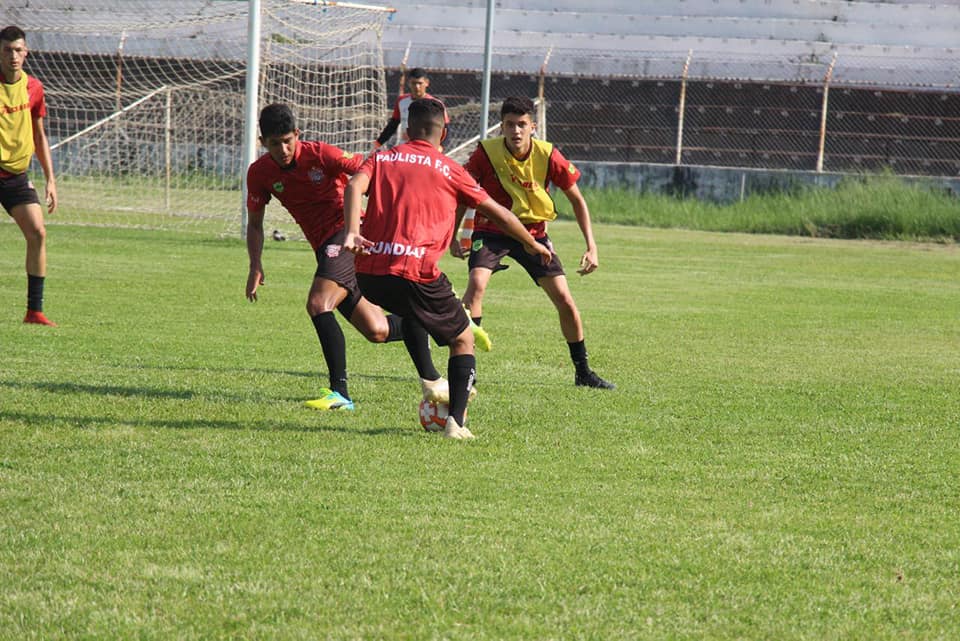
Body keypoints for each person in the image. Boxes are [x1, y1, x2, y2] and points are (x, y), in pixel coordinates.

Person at [344, 98, 552, 439]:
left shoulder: (383, 157)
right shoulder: (450, 168)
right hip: (416, 271)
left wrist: (353, 230)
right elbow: (498, 211)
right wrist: (530, 243)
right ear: (445, 133)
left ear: (407, 130)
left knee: (414, 314)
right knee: (463, 338)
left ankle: (431, 381)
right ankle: (456, 422)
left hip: (369, 273)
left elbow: (353, 186)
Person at [245, 103, 453, 411]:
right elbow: (256, 224)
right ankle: (445, 319)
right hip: (326, 248)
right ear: (263, 143)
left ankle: (339, 393)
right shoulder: (260, 173)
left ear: (298, 135)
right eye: (275, 143)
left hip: (348, 237)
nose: (284, 149)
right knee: (377, 330)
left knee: (318, 303)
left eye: (288, 140)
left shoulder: (321, 154)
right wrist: (255, 264)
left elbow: (371, 172)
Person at [452, 96, 615, 390]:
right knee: (476, 286)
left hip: (535, 236)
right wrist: (454, 235)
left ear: (533, 126)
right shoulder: (485, 153)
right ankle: (468, 372)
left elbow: (577, 199)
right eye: (510, 124)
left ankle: (583, 372)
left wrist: (592, 246)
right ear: (501, 126)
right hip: (491, 232)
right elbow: (463, 193)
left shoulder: (548, 154)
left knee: (565, 300)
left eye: (522, 125)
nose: (516, 131)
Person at [1, 25, 58, 326]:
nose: (13, 56)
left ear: (26, 53)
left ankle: (34, 311)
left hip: (15, 176)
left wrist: (50, 178)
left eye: (18, 50)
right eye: (7, 50)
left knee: (37, 233)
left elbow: (39, 134)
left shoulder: (34, 87)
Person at [370, 67, 449, 153]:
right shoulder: (402, 101)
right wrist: (378, 143)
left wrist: (441, 147)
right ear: (409, 83)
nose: (417, 87)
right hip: (405, 147)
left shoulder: (435, 104)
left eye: (420, 83)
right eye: (414, 83)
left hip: (426, 150)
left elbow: (446, 128)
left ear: (427, 83)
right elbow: (393, 125)